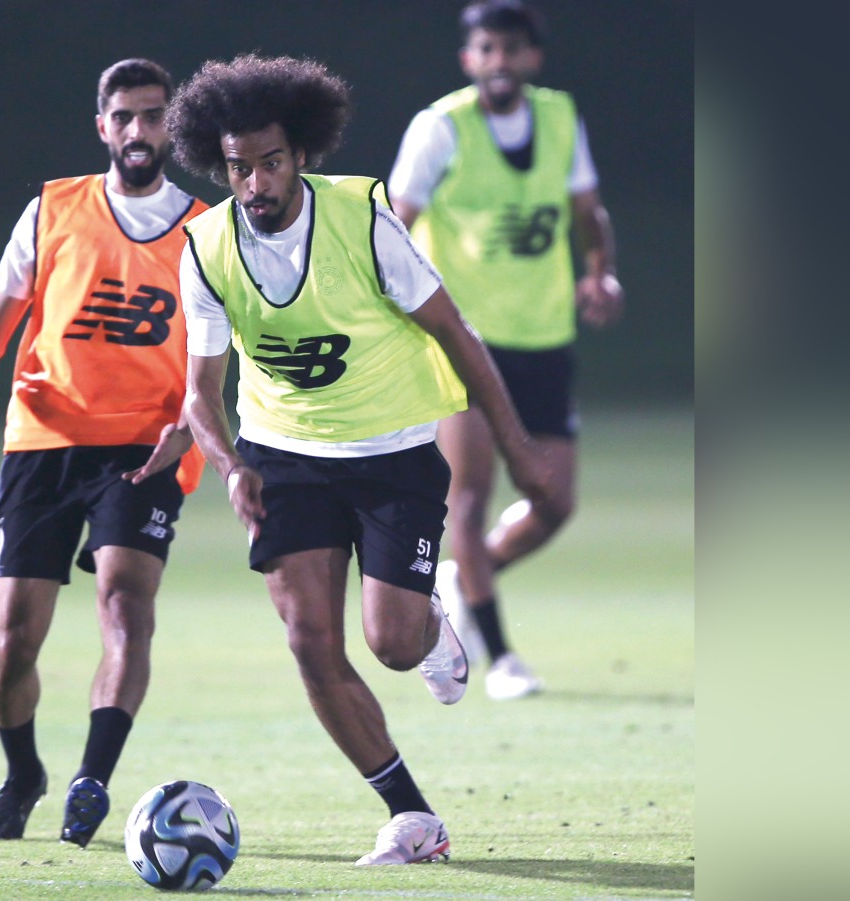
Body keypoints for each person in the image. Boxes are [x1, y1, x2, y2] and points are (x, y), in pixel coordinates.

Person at [131, 52, 551, 866]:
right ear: (219, 165)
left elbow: (455, 331)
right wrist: (231, 465)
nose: (255, 183)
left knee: (391, 643)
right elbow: (200, 393)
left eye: (271, 162)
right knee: (310, 643)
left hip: (392, 453)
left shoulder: (361, 219)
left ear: (301, 154)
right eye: (238, 167)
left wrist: (519, 447)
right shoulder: (208, 247)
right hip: (284, 457)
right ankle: (412, 815)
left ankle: (428, 627)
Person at [0, 58, 207, 845]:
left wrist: (194, 424)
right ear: (102, 126)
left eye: (153, 114)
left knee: (126, 604)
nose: (138, 129)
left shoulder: (207, 229)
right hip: (45, 441)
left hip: (144, 443)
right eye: (124, 116)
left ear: (172, 126)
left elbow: (217, 352)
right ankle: (23, 773)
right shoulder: (52, 209)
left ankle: (91, 779)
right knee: (12, 642)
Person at [388, 0, 625, 700]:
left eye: (511, 49)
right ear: (469, 59)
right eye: (486, 49)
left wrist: (601, 271)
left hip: (544, 336)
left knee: (555, 500)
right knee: (468, 496)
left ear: (532, 58)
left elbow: (589, 212)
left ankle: (467, 577)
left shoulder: (559, 116)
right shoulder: (441, 127)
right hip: (464, 340)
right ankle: (499, 658)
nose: (499, 61)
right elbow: (393, 224)